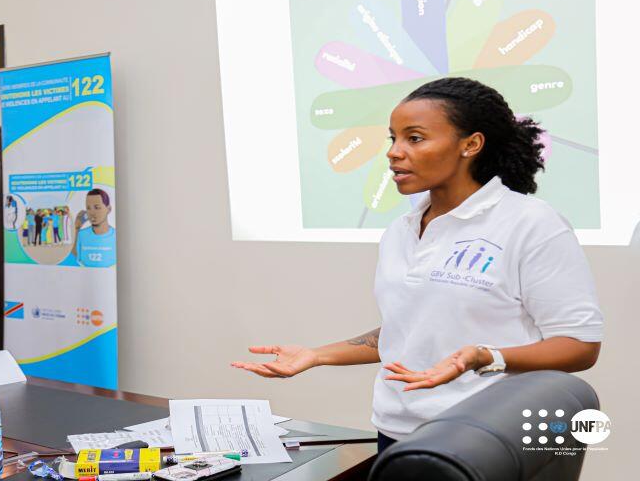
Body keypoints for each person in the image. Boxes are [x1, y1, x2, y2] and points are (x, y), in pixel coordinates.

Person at [231, 78, 603, 454]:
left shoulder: (531, 223)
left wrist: (487, 357)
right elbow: (410, 328)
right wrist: (317, 355)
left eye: (415, 138)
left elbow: (580, 346)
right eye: (393, 138)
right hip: (396, 431)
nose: (394, 152)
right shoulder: (401, 229)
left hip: (486, 434)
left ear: (470, 145)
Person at [73, 189, 116, 267]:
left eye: (97, 207)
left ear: (108, 209)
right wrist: (76, 228)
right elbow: (76, 255)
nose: (92, 213)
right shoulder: (81, 234)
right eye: (88, 208)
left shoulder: (116, 235)